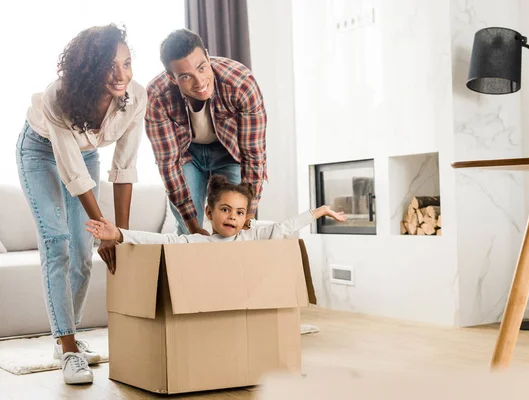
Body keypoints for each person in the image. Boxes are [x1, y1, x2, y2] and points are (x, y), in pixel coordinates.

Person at [16, 24, 147, 385]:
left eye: (127, 63)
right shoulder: (56, 97)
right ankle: (69, 348)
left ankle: (65, 338)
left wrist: (117, 234)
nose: (121, 75)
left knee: (84, 247)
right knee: (58, 244)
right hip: (39, 152)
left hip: (86, 156)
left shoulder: (136, 98)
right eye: (110, 66)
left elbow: (124, 167)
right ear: (89, 69)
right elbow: (72, 173)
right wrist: (103, 226)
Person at [145, 28, 267, 237]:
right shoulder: (157, 97)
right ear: (172, 78)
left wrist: (247, 215)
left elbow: (253, 155)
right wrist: (193, 227)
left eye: (202, 68)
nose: (199, 82)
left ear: (208, 57)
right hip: (187, 156)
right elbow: (168, 164)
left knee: (234, 227)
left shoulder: (241, 84)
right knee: (188, 231)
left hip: (229, 153)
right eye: (185, 76)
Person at [86, 175, 346, 244]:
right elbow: (159, 240)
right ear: (209, 213)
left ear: (246, 218)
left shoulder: (251, 236)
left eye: (240, 212)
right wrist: (119, 233)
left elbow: (284, 227)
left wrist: (319, 211)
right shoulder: (198, 242)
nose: (232, 216)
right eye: (225, 209)